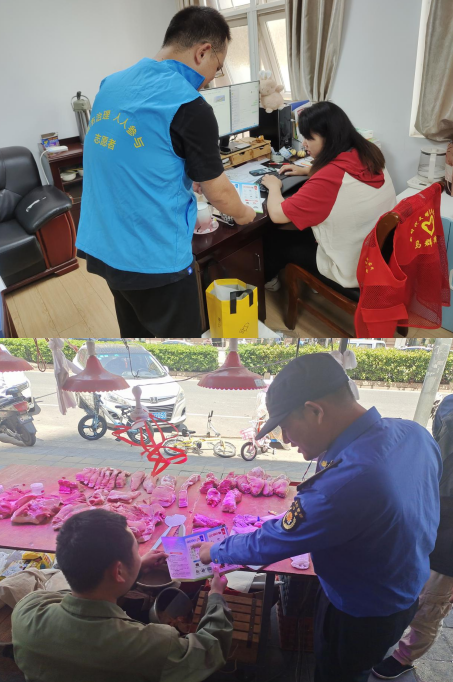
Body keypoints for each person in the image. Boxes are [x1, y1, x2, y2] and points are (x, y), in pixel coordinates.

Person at [196, 353, 442, 682]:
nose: (285, 439)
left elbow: (273, 542)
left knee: (337, 673)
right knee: (358, 666)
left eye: (286, 426)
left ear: (315, 411)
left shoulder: (345, 482)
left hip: (359, 611)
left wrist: (215, 550)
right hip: (404, 589)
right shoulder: (414, 434)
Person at [76, 6, 255, 338]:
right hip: (152, 258)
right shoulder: (189, 105)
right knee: (182, 351)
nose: (210, 80)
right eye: (216, 68)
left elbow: (132, 154)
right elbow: (219, 194)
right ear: (203, 51)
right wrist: (246, 214)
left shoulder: (110, 84)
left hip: (103, 244)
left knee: (136, 336)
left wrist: (184, 174)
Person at [12, 509, 233, 682]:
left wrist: (135, 570)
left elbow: (92, 592)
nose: (140, 556)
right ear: (118, 571)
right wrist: (215, 596)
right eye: (137, 551)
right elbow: (210, 651)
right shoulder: (152, 644)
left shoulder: (28, 611)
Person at [261, 102, 396, 292]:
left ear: (330, 138)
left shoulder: (329, 178)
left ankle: (270, 282)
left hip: (350, 268)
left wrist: (274, 186)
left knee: (274, 237)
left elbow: (277, 215)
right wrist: (308, 171)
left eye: (309, 138)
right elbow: (345, 175)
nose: (304, 144)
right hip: (376, 254)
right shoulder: (369, 152)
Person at [372, 394, 453, 679]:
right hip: (428, 512)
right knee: (403, 583)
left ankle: (404, 658)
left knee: (430, 604)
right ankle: (388, 635)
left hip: (448, 543)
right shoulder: (448, 404)